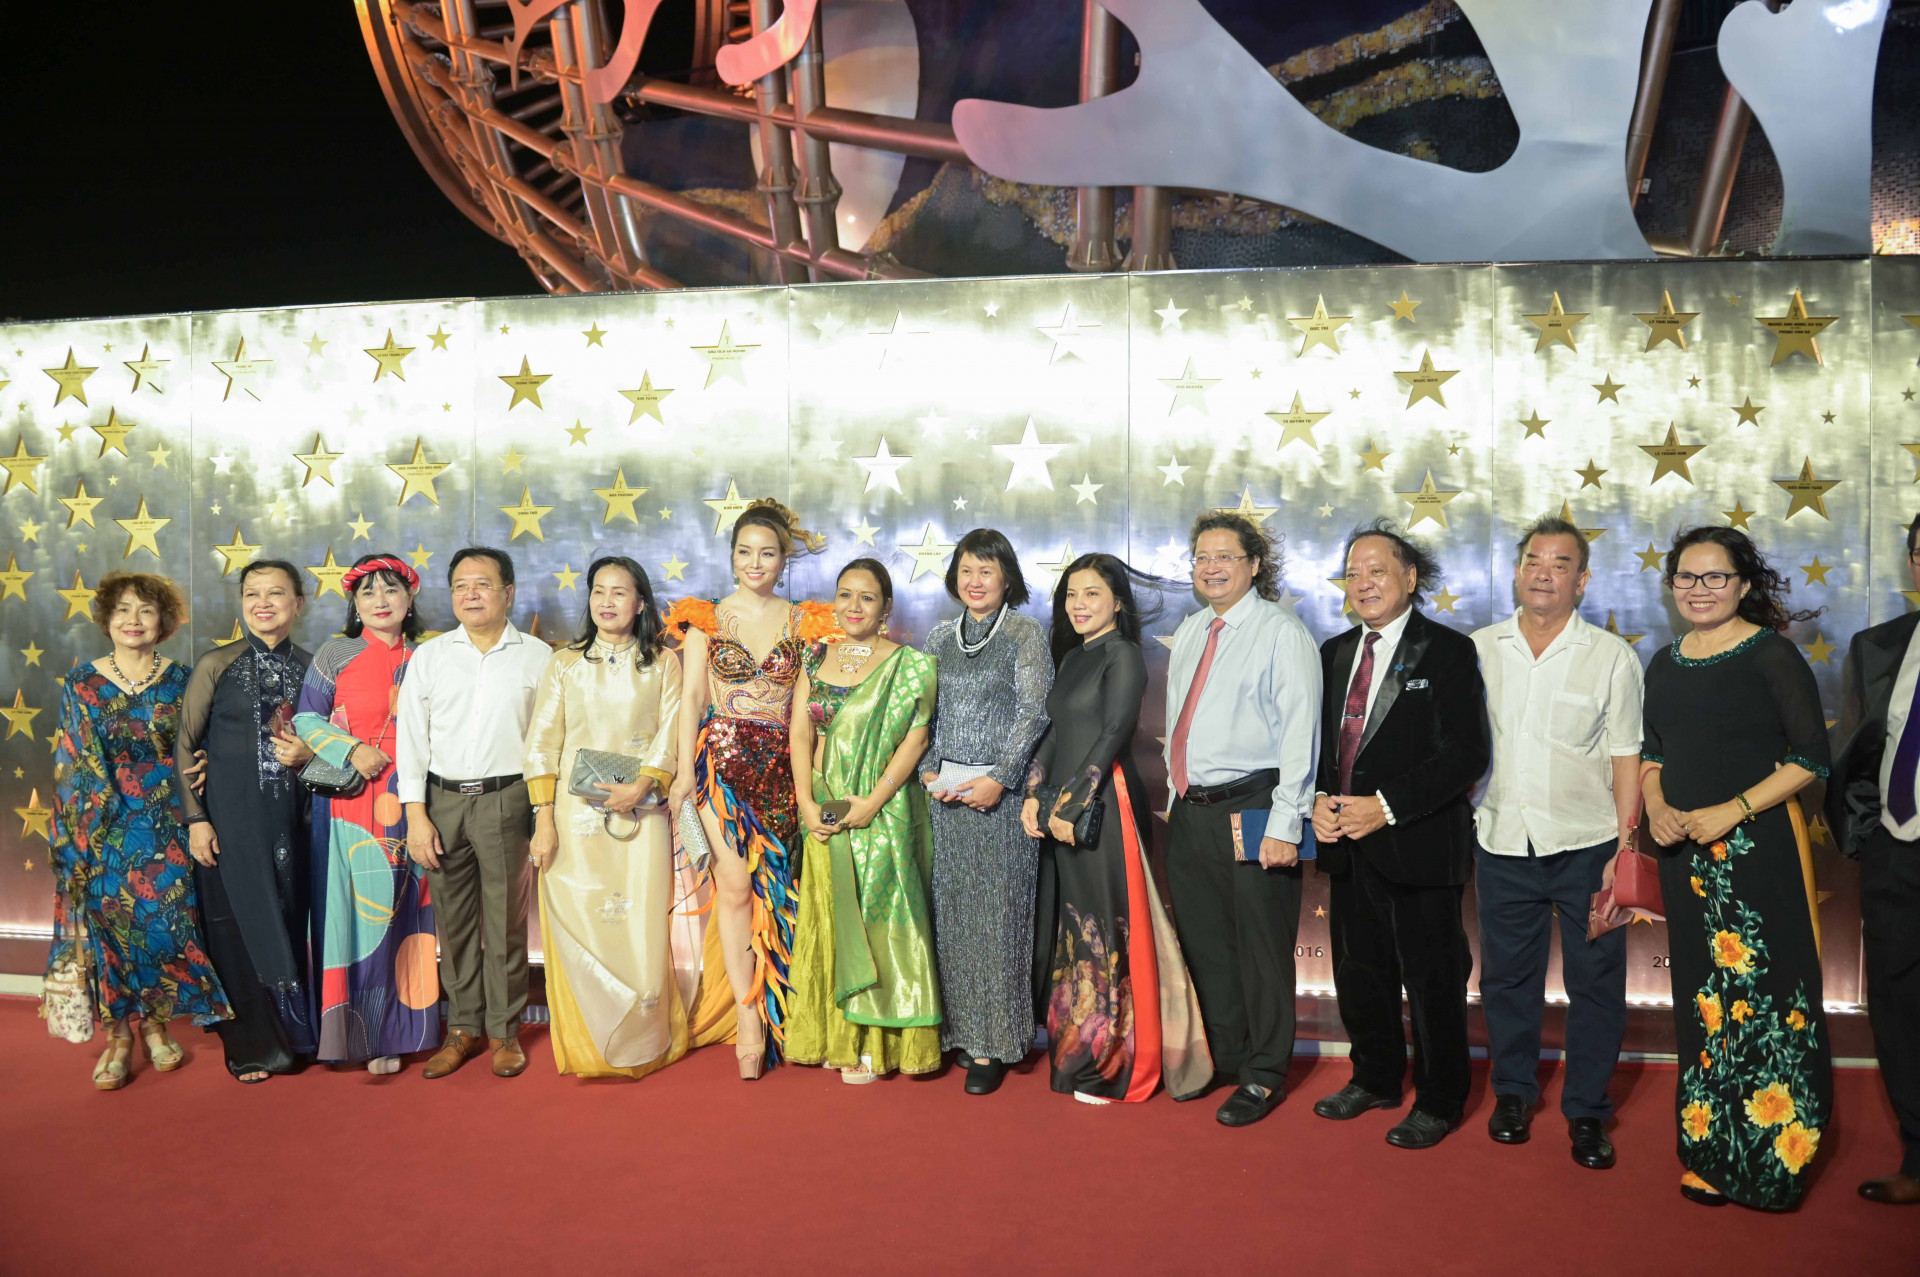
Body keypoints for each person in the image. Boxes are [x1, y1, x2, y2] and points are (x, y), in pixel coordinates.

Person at [1643, 526, 1831, 1210]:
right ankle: (1707, 1149)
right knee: (1705, 1000)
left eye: (1714, 577)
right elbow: (1652, 751)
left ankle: (1774, 1156)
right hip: (1684, 859)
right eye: (1686, 578)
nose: (1699, 590)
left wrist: (1735, 808)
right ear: (1671, 587)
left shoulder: (1772, 656)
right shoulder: (1663, 660)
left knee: (1774, 999)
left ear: (1744, 584)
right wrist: (1656, 805)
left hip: (1758, 855)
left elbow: (1811, 757)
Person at [1470, 517, 1641, 1167]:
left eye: (1560, 563)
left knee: (1596, 981)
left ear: (1582, 579)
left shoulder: (1611, 656)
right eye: (1534, 560)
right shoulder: (1478, 650)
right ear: (1517, 572)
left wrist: (1625, 850)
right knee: (1508, 980)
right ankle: (1512, 1091)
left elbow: (1627, 756)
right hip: (1502, 841)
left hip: (1589, 844)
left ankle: (1588, 1110)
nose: (1544, 572)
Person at [1312, 520, 1489, 1149]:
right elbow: (1319, 751)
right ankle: (1375, 1078)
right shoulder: (1333, 652)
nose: (1363, 583)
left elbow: (1465, 753)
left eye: (1377, 570)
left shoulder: (1447, 651)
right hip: (1346, 847)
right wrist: (1318, 801)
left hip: (1419, 846)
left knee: (1434, 980)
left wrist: (1384, 807)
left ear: (1410, 578)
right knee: (1361, 972)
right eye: (1353, 572)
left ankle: (1441, 1099)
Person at [1024, 553, 1212, 1104]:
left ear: (1118, 603)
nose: (1079, 605)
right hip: (1064, 807)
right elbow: (1056, 735)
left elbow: (1110, 735)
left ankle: (1116, 1065)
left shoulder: (1123, 655)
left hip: (1105, 808)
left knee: (1104, 931)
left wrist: (1071, 804)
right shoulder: (1073, 658)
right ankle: (1078, 1051)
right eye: (1071, 596)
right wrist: (1036, 795)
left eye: (1091, 594)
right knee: (1074, 932)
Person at [665, 499, 834, 1079]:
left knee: (780, 890)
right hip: (723, 760)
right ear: (731, 556)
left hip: (783, 767)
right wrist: (685, 772)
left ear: (784, 559)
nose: (754, 563)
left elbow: (804, 712)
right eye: (744, 552)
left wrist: (808, 775)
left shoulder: (804, 621)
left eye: (767, 553)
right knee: (735, 886)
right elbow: (691, 697)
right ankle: (748, 1018)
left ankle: (786, 1008)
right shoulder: (705, 617)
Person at [1162, 512, 1320, 1127]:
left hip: (1255, 805)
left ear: (1254, 564)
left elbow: (1298, 735)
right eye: (1202, 556)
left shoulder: (1281, 632)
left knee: (1260, 948)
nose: (1212, 566)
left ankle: (1264, 1074)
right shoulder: (1195, 629)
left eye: (1226, 555)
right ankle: (1226, 1059)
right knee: (1209, 944)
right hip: (1192, 812)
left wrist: (1287, 822)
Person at [46, 572, 231, 1089]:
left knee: (162, 931)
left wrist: (205, 775)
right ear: (106, 619)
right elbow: (74, 763)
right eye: (123, 610)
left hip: (173, 826)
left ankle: (155, 1025)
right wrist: (86, 836)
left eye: (146, 611)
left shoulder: (184, 679)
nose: (133, 620)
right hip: (105, 829)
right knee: (111, 932)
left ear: (164, 622)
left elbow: (203, 748)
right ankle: (119, 1034)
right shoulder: (82, 682)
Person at [525, 557, 687, 1080]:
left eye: (621, 592)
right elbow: (541, 745)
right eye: (599, 591)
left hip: (641, 815)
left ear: (641, 603)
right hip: (575, 819)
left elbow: (672, 730)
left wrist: (645, 785)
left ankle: (643, 1037)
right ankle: (588, 1045)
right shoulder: (566, 663)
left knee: (638, 923)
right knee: (579, 918)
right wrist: (544, 819)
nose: (607, 601)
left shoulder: (663, 663)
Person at [398, 547, 552, 1079]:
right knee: (454, 924)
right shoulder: (431, 657)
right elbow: (411, 742)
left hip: (507, 798)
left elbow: (549, 739)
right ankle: (462, 1029)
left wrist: (543, 811)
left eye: (483, 584)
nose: (471, 594)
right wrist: (416, 815)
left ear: (508, 592)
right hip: (441, 803)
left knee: (507, 920)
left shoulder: (538, 657)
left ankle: (505, 1031)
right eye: (461, 585)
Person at [787, 558, 942, 1081]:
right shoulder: (815, 656)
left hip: (880, 814)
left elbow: (914, 740)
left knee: (880, 922)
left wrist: (872, 803)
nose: (854, 607)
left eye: (867, 598)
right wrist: (808, 804)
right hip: (823, 812)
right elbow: (800, 734)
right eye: (845, 595)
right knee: (831, 918)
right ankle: (838, 1037)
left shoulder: (910, 666)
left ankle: (879, 1042)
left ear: (886, 607)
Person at [918, 529, 1053, 1095]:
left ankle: (995, 1044)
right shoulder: (939, 637)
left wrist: (1000, 780)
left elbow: (1034, 714)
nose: (975, 582)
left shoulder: (1025, 633)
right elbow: (921, 712)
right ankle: (954, 1032)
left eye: (987, 571)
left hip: (1001, 801)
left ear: (1007, 579)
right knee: (951, 920)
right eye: (966, 570)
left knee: (998, 922)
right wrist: (927, 769)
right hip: (945, 796)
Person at [294, 553, 438, 1074]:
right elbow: (306, 717)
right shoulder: (337, 653)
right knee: (352, 915)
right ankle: (352, 1029)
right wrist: (351, 750)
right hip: (350, 801)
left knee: (408, 911)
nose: (380, 602)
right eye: (368, 593)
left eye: (391, 591)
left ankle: (396, 1033)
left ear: (410, 597)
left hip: (416, 798)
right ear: (355, 603)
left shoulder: (430, 654)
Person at [177, 559, 316, 1083]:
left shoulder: (312, 667)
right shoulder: (217, 663)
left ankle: (298, 1034)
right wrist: (196, 819)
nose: (263, 603)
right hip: (230, 821)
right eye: (252, 593)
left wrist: (307, 755)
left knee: (288, 917)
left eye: (276, 593)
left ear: (297, 603)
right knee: (237, 926)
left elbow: (330, 744)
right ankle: (255, 1044)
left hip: (295, 822)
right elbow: (186, 746)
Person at [1828, 513, 1920, 1206]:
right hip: (1896, 856)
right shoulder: (1879, 645)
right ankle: (1919, 1157)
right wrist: (1868, 836)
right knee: (1897, 1006)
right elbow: (1859, 752)